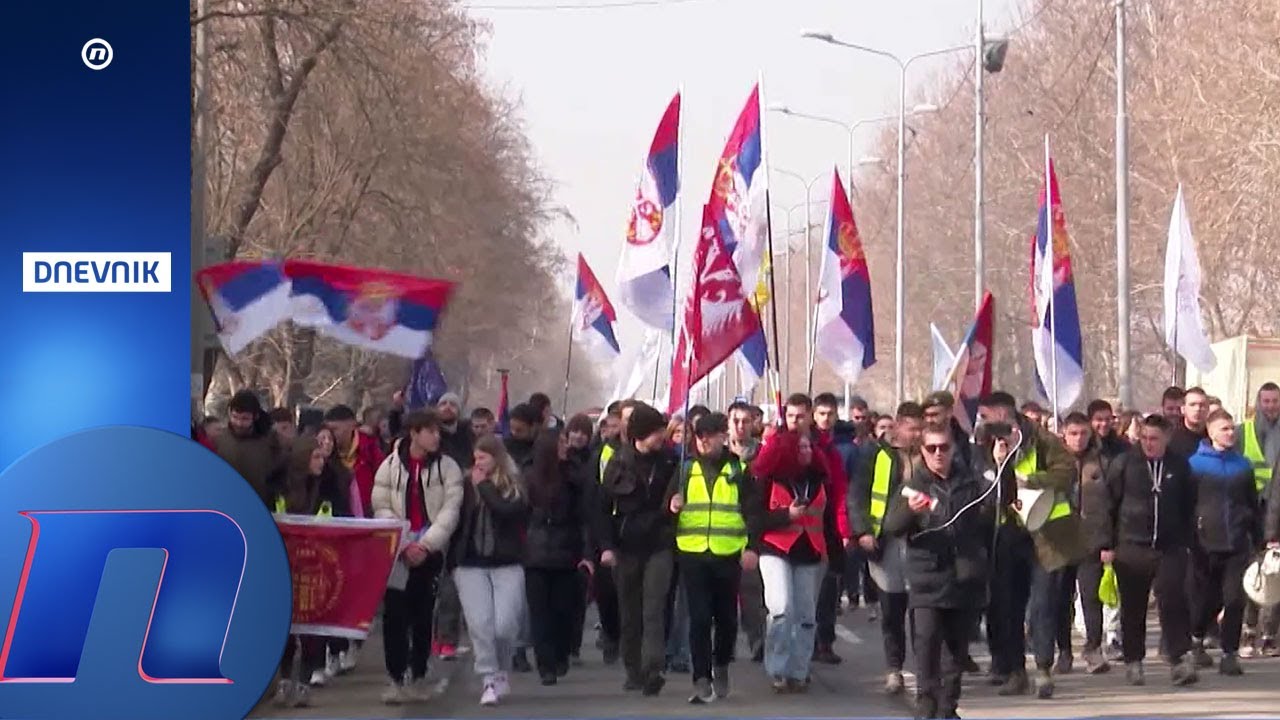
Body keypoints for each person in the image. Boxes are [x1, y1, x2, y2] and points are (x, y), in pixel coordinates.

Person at [884, 423, 994, 720]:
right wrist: (911, 511)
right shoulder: (914, 484)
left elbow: (993, 507)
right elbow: (892, 525)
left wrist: (999, 461)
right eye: (931, 448)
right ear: (922, 451)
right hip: (927, 580)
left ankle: (948, 707)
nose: (938, 454)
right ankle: (926, 703)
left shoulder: (969, 481)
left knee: (956, 653)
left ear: (953, 448)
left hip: (963, 578)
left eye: (943, 447)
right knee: (928, 645)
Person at [977, 392, 1082, 699]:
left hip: (1043, 535)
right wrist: (997, 464)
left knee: (1042, 606)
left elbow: (1066, 472)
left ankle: (1044, 669)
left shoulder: (1042, 441)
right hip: (1007, 534)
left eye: (986, 416)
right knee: (1008, 607)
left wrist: (1031, 478)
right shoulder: (983, 446)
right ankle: (1015, 671)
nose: (982, 423)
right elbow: (979, 485)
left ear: (1003, 414)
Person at [370, 410, 464, 704]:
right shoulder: (390, 465)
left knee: (423, 614)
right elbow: (380, 503)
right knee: (395, 615)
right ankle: (396, 678)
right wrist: (403, 541)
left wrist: (426, 545)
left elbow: (450, 511)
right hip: (398, 549)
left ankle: (419, 674)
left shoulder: (448, 468)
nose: (436, 437)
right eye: (430, 431)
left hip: (430, 550)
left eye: (438, 432)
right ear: (414, 433)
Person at [668, 412, 763, 703]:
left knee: (725, 619)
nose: (706, 442)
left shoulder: (738, 470)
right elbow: (666, 508)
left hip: (727, 553)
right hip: (692, 552)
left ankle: (721, 664)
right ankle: (701, 678)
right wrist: (672, 506)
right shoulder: (685, 470)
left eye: (712, 436)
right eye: (701, 437)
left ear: (724, 437)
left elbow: (754, 511)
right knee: (698, 618)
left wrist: (752, 548)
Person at [1104, 413, 1198, 687]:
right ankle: (1134, 660)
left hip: (1169, 546)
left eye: (1154, 439)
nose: (1148, 443)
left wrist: (1188, 541)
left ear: (1166, 438)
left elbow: (1189, 505)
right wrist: (1107, 545)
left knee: (1173, 599)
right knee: (1133, 606)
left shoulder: (1179, 466)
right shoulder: (1124, 464)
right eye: (1144, 438)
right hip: (1131, 545)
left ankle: (1179, 658)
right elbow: (1109, 505)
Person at [595, 402, 679, 695]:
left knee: (654, 607)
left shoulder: (670, 463)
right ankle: (633, 669)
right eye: (657, 433)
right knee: (630, 611)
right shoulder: (619, 464)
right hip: (626, 546)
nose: (662, 438)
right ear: (642, 434)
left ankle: (653, 667)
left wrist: (675, 506)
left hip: (659, 544)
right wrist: (606, 547)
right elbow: (603, 510)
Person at [752, 430, 841, 694]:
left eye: (808, 447)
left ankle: (799, 671)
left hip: (810, 553)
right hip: (775, 550)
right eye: (800, 448)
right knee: (781, 608)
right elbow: (755, 519)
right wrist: (785, 515)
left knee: (805, 615)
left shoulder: (819, 480)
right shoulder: (767, 479)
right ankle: (777, 669)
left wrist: (837, 557)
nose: (806, 452)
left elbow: (828, 522)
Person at [450, 435, 531, 706]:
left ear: (497, 458)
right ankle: (488, 676)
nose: (478, 464)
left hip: (507, 562)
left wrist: (484, 485)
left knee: (505, 625)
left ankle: (502, 667)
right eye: (475, 458)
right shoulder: (464, 484)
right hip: (471, 563)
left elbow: (507, 512)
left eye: (483, 457)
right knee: (480, 624)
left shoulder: (513, 485)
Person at [851, 401, 925, 695]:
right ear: (897, 425)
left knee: (922, 611)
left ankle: (925, 670)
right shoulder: (875, 454)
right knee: (892, 609)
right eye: (911, 428)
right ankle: (894, 668)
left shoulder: (930, 454)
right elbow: (857, 494)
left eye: (921, 428)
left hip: (921, 540)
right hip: (887, 541)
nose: (917, 435)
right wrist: (863, 531)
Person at [275, 437, 353, 707]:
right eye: (316, 457)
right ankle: (285, 680)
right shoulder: (280, 489)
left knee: (313, 629)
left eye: (323, 457)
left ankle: (304, 681)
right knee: (284, 627)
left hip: (318, 566)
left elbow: (343, 520)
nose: (322, 461)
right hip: (285, 566)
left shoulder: (329, 487)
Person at [1188, 410, 1259, 676]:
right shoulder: (1195, 465)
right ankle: (1196, 640)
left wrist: (1259, 536)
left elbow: (1252, 504)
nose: (1230, 433)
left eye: (1231, 428)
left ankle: (1229, 654)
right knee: (1204, 599)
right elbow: (1187, 504)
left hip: (1237, 544)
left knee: (1234, 599)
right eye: (1224, 429)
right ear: (1211, 432)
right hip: (1204, 543)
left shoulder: (1243, 465)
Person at [523, 428, 594, 685]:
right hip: (536, 553)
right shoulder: (530, 476)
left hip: (567, 552)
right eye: (561, 442)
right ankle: (545, 664)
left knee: (563, 610)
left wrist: (587, 553)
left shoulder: (574, 476)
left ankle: (562, 652)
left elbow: (585, 517)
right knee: (540, 612)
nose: (566, 446)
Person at [1061, 412, 1110, 674]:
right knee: (1061, 600)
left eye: (1083, 433)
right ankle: (1064, 650)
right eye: (1073, 434)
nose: (1078, 439)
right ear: (1064, 434)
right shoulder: (1055, 461)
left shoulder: (1101, 461)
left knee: (1091, 598)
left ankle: (1093, 648)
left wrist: (1108, 541)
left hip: (1092, 541)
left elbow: (1110, 503)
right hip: (1061, 542)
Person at [1236, 383, 1280, 656]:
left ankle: (1270, 634)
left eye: (1275, 401)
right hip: (1251, 510)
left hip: (1277, 510)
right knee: (1253, 572)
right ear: (1258, 402)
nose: (1271, 406)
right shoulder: (1244, 431)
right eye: (1266, 401)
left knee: (1276, 572)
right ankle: (1248, 629)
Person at [728, 401, 767, 663]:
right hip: (720, 534)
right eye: (736, 421)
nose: (741, 426)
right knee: (724, 596)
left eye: (746, 421)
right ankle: (725, 644)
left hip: (751, 533)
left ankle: (759, 641)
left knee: (752, 594)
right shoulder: (719, 457)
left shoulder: (764, 454)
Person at [215, 390, 287, 510]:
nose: (239, 423)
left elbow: (281, 471)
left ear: (255, 417)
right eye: (235, 417)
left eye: (245, 419)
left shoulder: (270, 440)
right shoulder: (221, 438)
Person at [327, 405, 386, 518]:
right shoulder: (326, 454)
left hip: (368, 517)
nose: (331, 435)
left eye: (335, 429)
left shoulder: (371, 449)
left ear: (351, 425)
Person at [436, 392, 476, 469]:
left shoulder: (468, 434)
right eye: (443, 404)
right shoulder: (432, 434)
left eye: (453, 405)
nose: (447, 407)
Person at [1169, 387, 1210, 461]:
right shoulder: (1171, 438)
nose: (1197, 409)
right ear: (1183, 409)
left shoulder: (1214, 437)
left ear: (1208, 409)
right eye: (1192, 404)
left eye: (1202, 405)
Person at [1087, 399, 1129, 466]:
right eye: (1099, 419)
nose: (1104, 424)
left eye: (1107, 419)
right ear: (1090, 421)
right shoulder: (1085, 446)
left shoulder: (1122, 445)